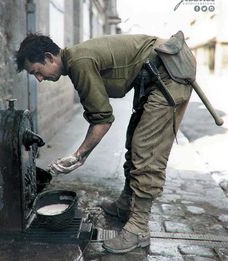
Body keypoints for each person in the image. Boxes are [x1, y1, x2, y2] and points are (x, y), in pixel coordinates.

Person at [15, 33, 192, 254]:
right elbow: (101, 117)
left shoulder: (79, 63)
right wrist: (81, 156)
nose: (39, 79)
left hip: (168, 72)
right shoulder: (76, 60)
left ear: (50, 57)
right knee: (134, 140)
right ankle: (126, 204)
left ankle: (138, 229)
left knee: (147, 149)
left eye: (37, 72)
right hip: (152, 74)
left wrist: (78, 155)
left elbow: (103, 120)